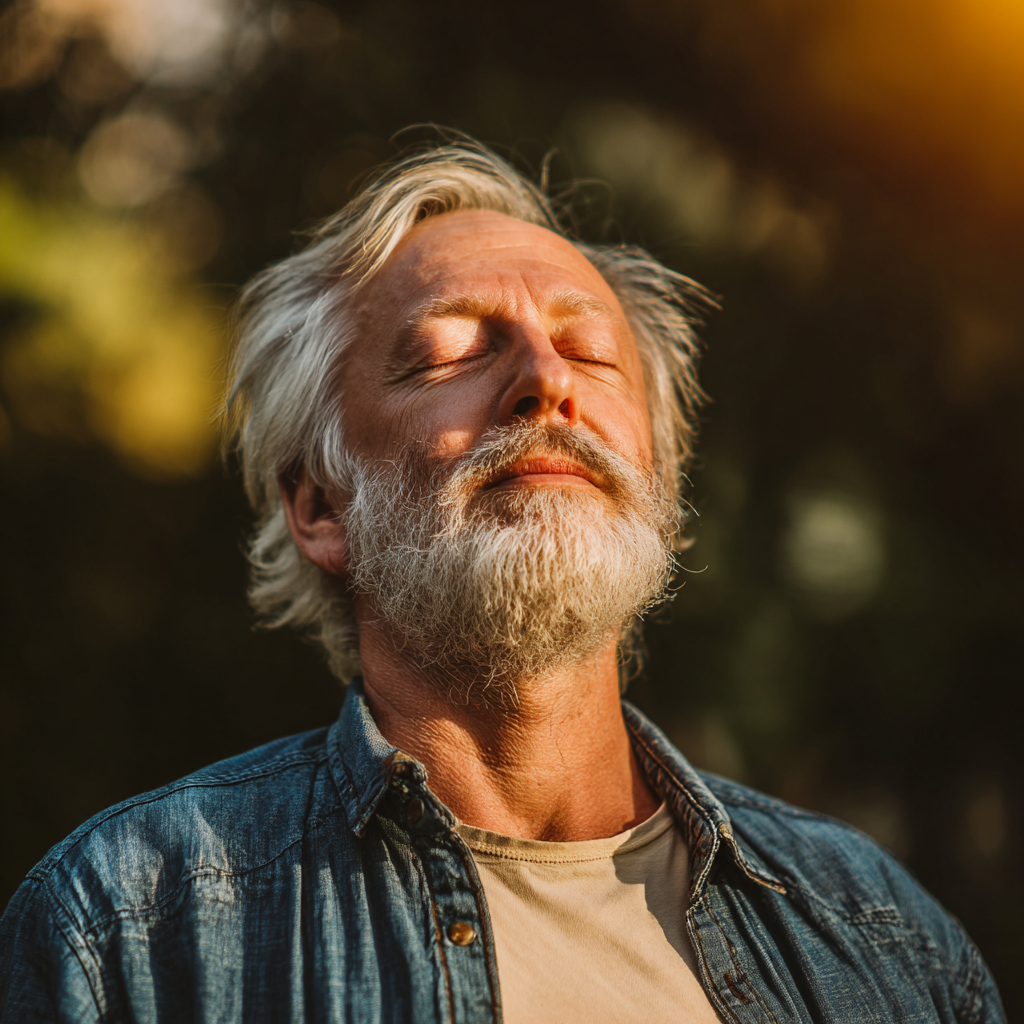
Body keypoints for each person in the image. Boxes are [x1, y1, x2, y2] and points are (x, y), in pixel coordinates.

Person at [0, 140, 1004, 1023]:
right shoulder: (130, 926)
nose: (545, 379)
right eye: (452, 349)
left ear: (656, 473)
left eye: (589, 350)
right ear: (319, 507)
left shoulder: (884, 936)